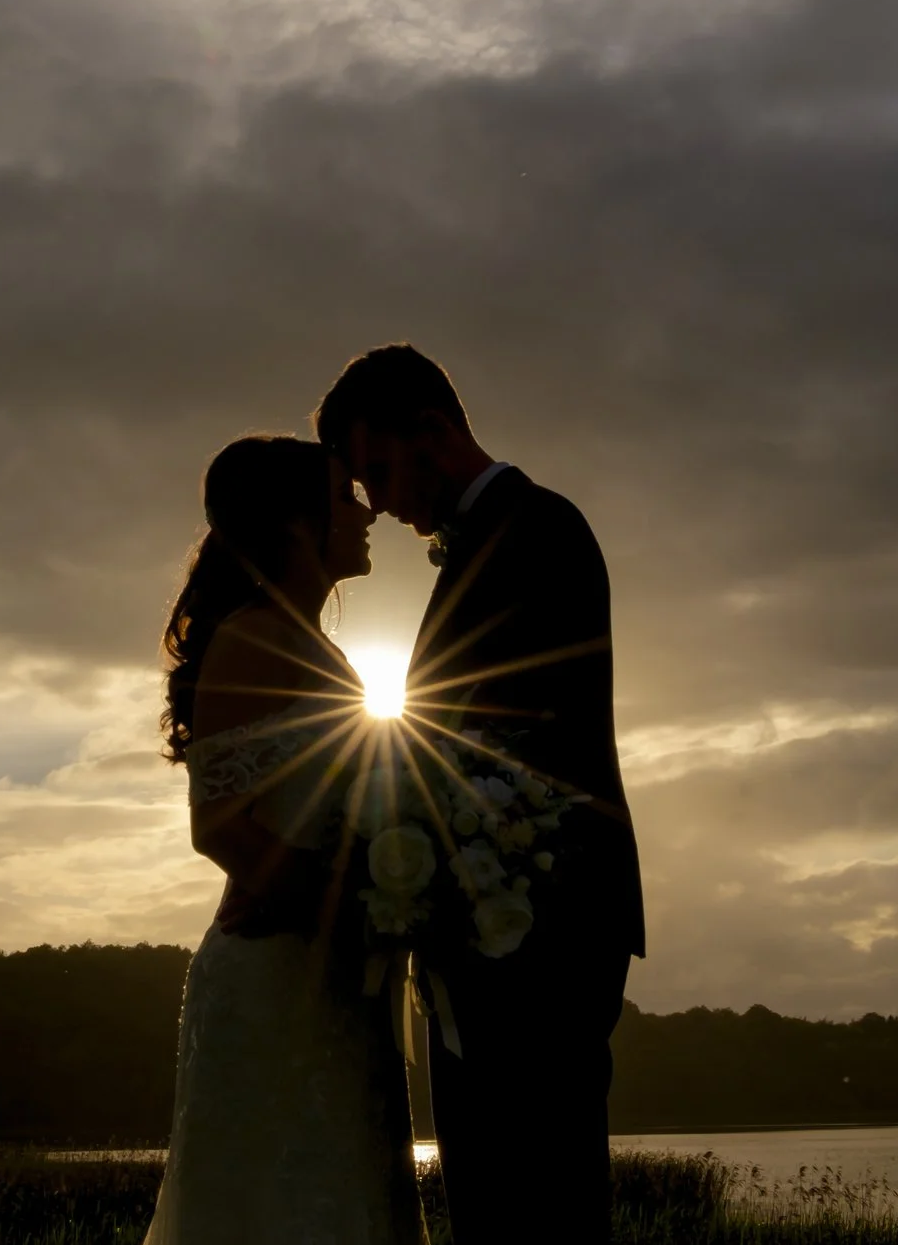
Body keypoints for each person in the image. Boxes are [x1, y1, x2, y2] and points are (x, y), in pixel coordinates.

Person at [315, 344, 646, 1244]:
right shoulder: (487, 543)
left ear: (432, 430)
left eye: (376, 471)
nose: (375, 503)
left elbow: (526, 737)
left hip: (544, 929)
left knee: (543, 1198)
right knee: (494, 1201)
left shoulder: (540, 529)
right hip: (487, 932)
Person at [144, 435, 424, 1245]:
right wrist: (340, 902)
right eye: (345, 495)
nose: (365, 509)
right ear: (297, 524)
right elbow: (220, 821)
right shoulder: (256, 634)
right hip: (276, 975)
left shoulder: (313, 643)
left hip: (333, 976)